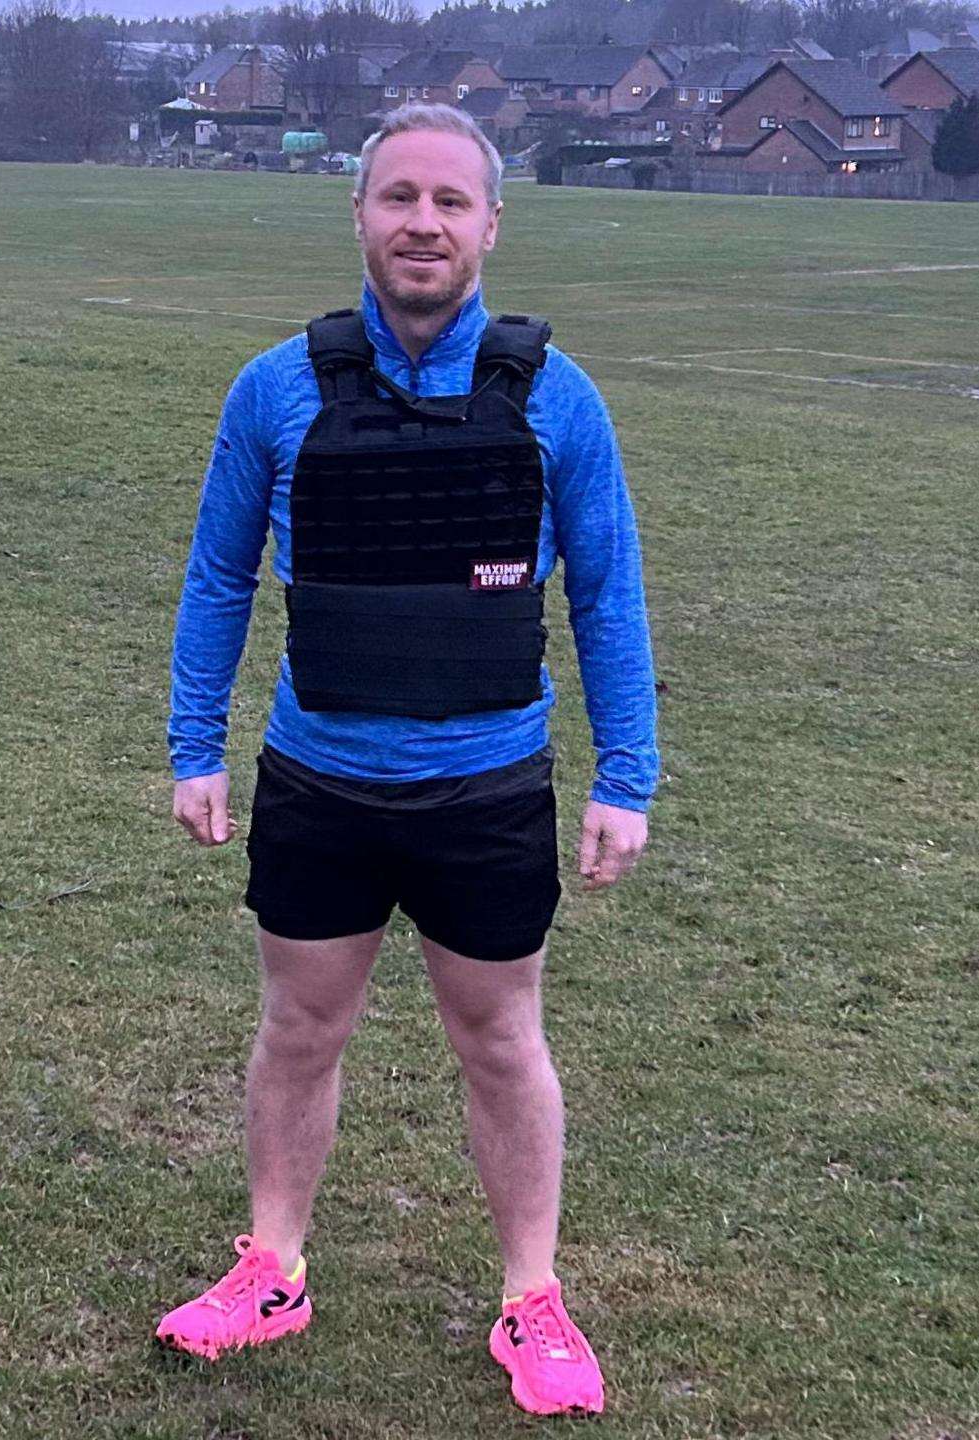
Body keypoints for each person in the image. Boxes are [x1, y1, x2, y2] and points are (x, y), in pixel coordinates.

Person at [158, 102, 659, 1418]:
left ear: (492, 222)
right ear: (360, 214)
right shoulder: (274, 389)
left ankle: (532, 1301)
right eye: (398, 198)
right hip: (318, 784)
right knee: (299, 1028)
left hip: (487, 794)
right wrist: (192, 745)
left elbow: (607, 594)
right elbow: (218, 575)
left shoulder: (557, 397)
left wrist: (627, 776)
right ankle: (271, 1268)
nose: (422, 223)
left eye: (450, 200)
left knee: (502, 1043)